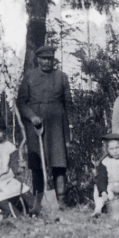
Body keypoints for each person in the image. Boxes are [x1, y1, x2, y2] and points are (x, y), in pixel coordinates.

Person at [17, 45, 73, 201]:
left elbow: (68, 103)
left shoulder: (62, 76)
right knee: (37, 163)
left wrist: (70, 127)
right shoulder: (29, 76)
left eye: (49, 59)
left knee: (59, 162)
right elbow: (21, 102)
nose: (47, 62)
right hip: (36, 125)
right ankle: (39, 199)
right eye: (43, 59)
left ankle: (60, 200)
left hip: (57, 123)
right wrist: (32, 116)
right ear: (37, 59)